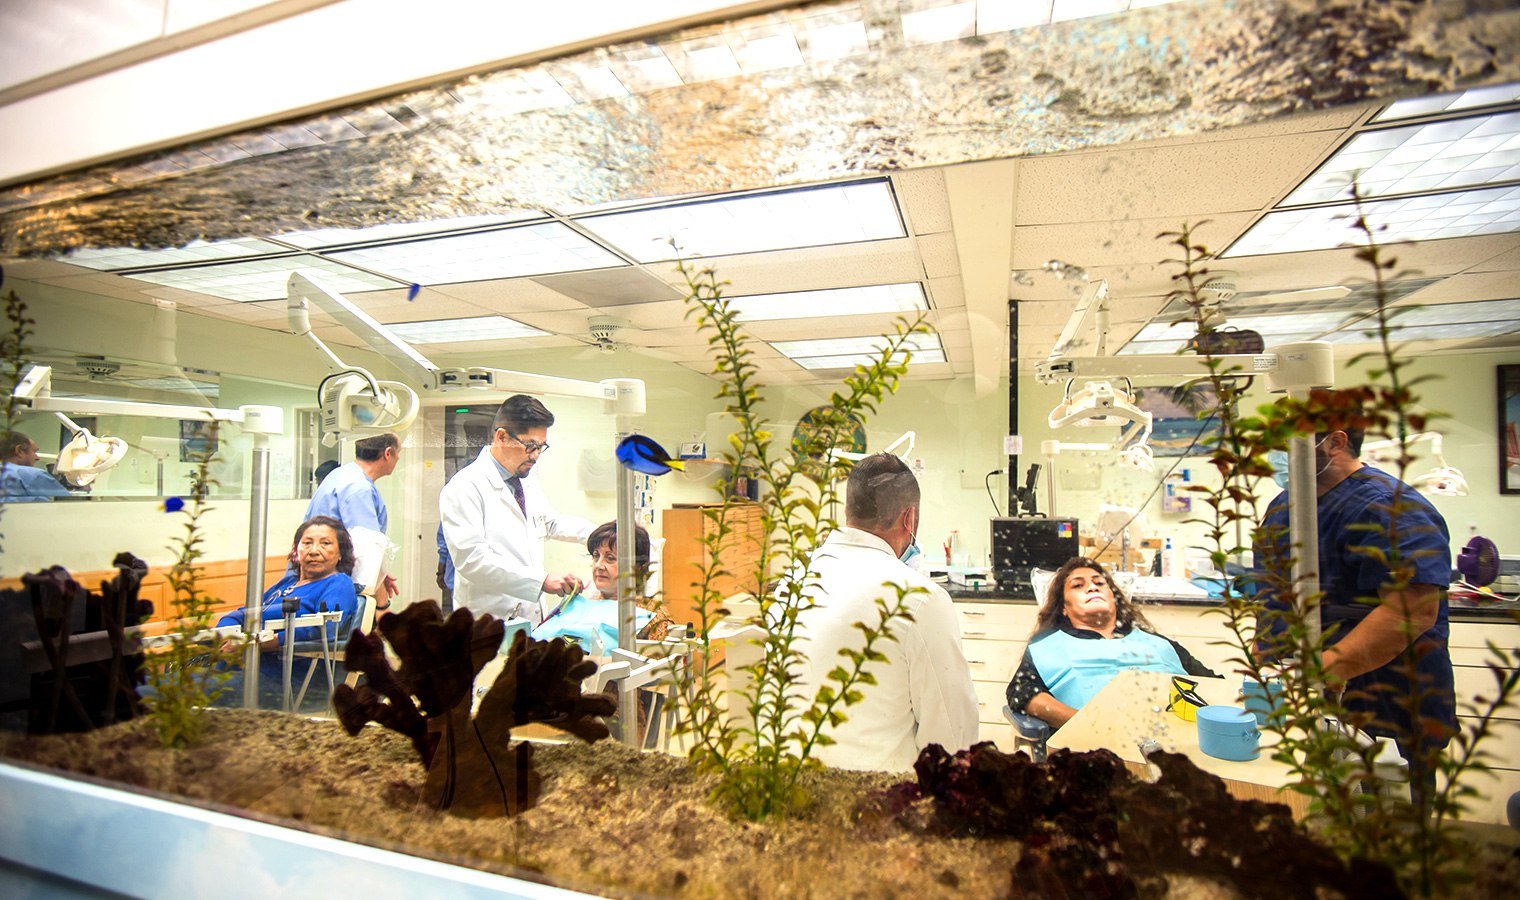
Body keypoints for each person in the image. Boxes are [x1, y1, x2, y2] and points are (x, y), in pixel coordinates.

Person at [1254, 413, 1455, 779]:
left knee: (1385, 817)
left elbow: (1411, 611)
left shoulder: (1391, 509)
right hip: (1301, 698)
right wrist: (1262, 666)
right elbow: (1272, 596)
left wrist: (1322, 669)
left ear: (1335, 442)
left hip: (1386, 700)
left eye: (1288, 443)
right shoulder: (1282, 509)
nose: (1278, 454)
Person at [792, 452, 979, 773]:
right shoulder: (920, 598)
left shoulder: (794, 579)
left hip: (790, 788)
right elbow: (952, 735)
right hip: (877, 802)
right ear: (909, 519)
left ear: (848, 511)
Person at [1007, 556, 1219, 730]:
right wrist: (1086, 723)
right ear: (1064, 607)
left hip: (1183, 743)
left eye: (1100, 583)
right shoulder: (1048, 646)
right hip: (1101, 748)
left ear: (1113, 597)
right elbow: (1021, 692)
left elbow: (1217, 684)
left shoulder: (1157, 643)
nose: (1092, 588)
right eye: (1078, 585)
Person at [440, 394, 594, 624]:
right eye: (530, 446)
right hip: (490, 622)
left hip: (531, 616)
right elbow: (473, 560)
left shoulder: (526, 480)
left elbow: (549, 523)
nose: (535, 456)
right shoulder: (464, 487)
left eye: (541, 447)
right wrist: (541, 581)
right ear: (501, 436)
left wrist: (601, 535)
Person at [218, 516, 361, 705]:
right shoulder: (287, 583)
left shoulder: (338, 583)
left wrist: (252, 644)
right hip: (240, 666)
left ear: (341, 553)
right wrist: (228, 636)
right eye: (307, 543)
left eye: (325, 543)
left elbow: (324, 629)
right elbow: (240, 615)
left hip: (283, 680)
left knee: (182, 693)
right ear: (297, 550)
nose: (314, 551)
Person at [302, 432, 399, 601]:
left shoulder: (340, 475)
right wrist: (383, 608)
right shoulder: (359, 489)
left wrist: (381, 574)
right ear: (388, 453)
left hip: (315, 581)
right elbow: (366, 559)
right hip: (330, 588)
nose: (398, 459)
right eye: (399, 453)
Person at [0, 432, 70, 501]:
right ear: (19, 450)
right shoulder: (31, 475)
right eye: (34, 452)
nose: (37, 458)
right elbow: (70, 503)